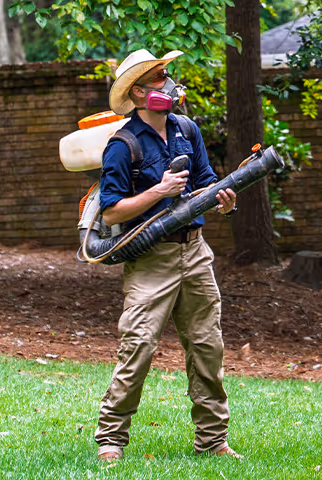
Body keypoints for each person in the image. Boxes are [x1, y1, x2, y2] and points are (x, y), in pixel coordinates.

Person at [92, 49, 243, 461]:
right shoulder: (122, 145)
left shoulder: (187, 129)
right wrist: (158, 190)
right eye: (160, 78)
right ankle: (111, 440)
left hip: (195, 252)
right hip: (151, 260)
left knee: (207, 347)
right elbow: (110, 210)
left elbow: (208, 183)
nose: (169, 82)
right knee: (138, 347)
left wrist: (223, 202)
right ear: (139, 92)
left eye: (167, 74)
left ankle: (212, 441)